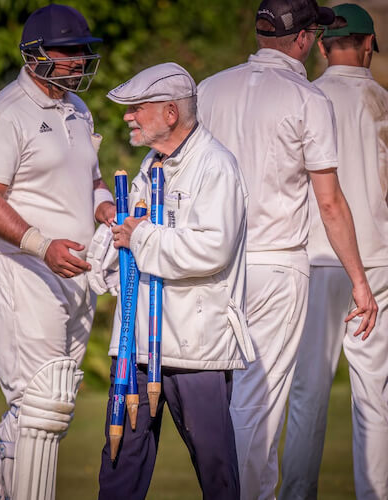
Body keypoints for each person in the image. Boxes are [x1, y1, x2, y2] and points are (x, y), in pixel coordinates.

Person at [197, 0, 378, 497]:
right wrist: (361, 282)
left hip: (213, 264)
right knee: (258, 404)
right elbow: (331, 203)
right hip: (277, 265)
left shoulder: (208, 90)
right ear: (302, 40)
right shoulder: (307, 98)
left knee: (227, 399)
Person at [0, 4, 114, 499]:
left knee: (49, 409)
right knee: (39, 405)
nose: (77, 61)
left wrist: (106, 207)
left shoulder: (77, 107)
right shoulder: (6, 113)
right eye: (67, 51)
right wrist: (42, 246)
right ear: (34, 54)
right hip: (20, 271)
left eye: (82, 52)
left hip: (73, 274)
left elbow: (89, 179)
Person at [89, 62, 251, 500]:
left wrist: (141, 235)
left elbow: (212, 248)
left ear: (171, 114)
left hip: (197, 347)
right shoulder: (151, 164)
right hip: (139, 343)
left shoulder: (216, 165)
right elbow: (130, 236)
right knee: (120, 465)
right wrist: (111, 240)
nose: (128, 117)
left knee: (215, 469)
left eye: (138, 108)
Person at [275, 5, 388, 499]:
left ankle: (295, 494)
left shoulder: (305, 99)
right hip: (374, 261)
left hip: (314, 258)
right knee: (373, 397)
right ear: (369, 43)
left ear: (320, 45)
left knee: (308, 391)